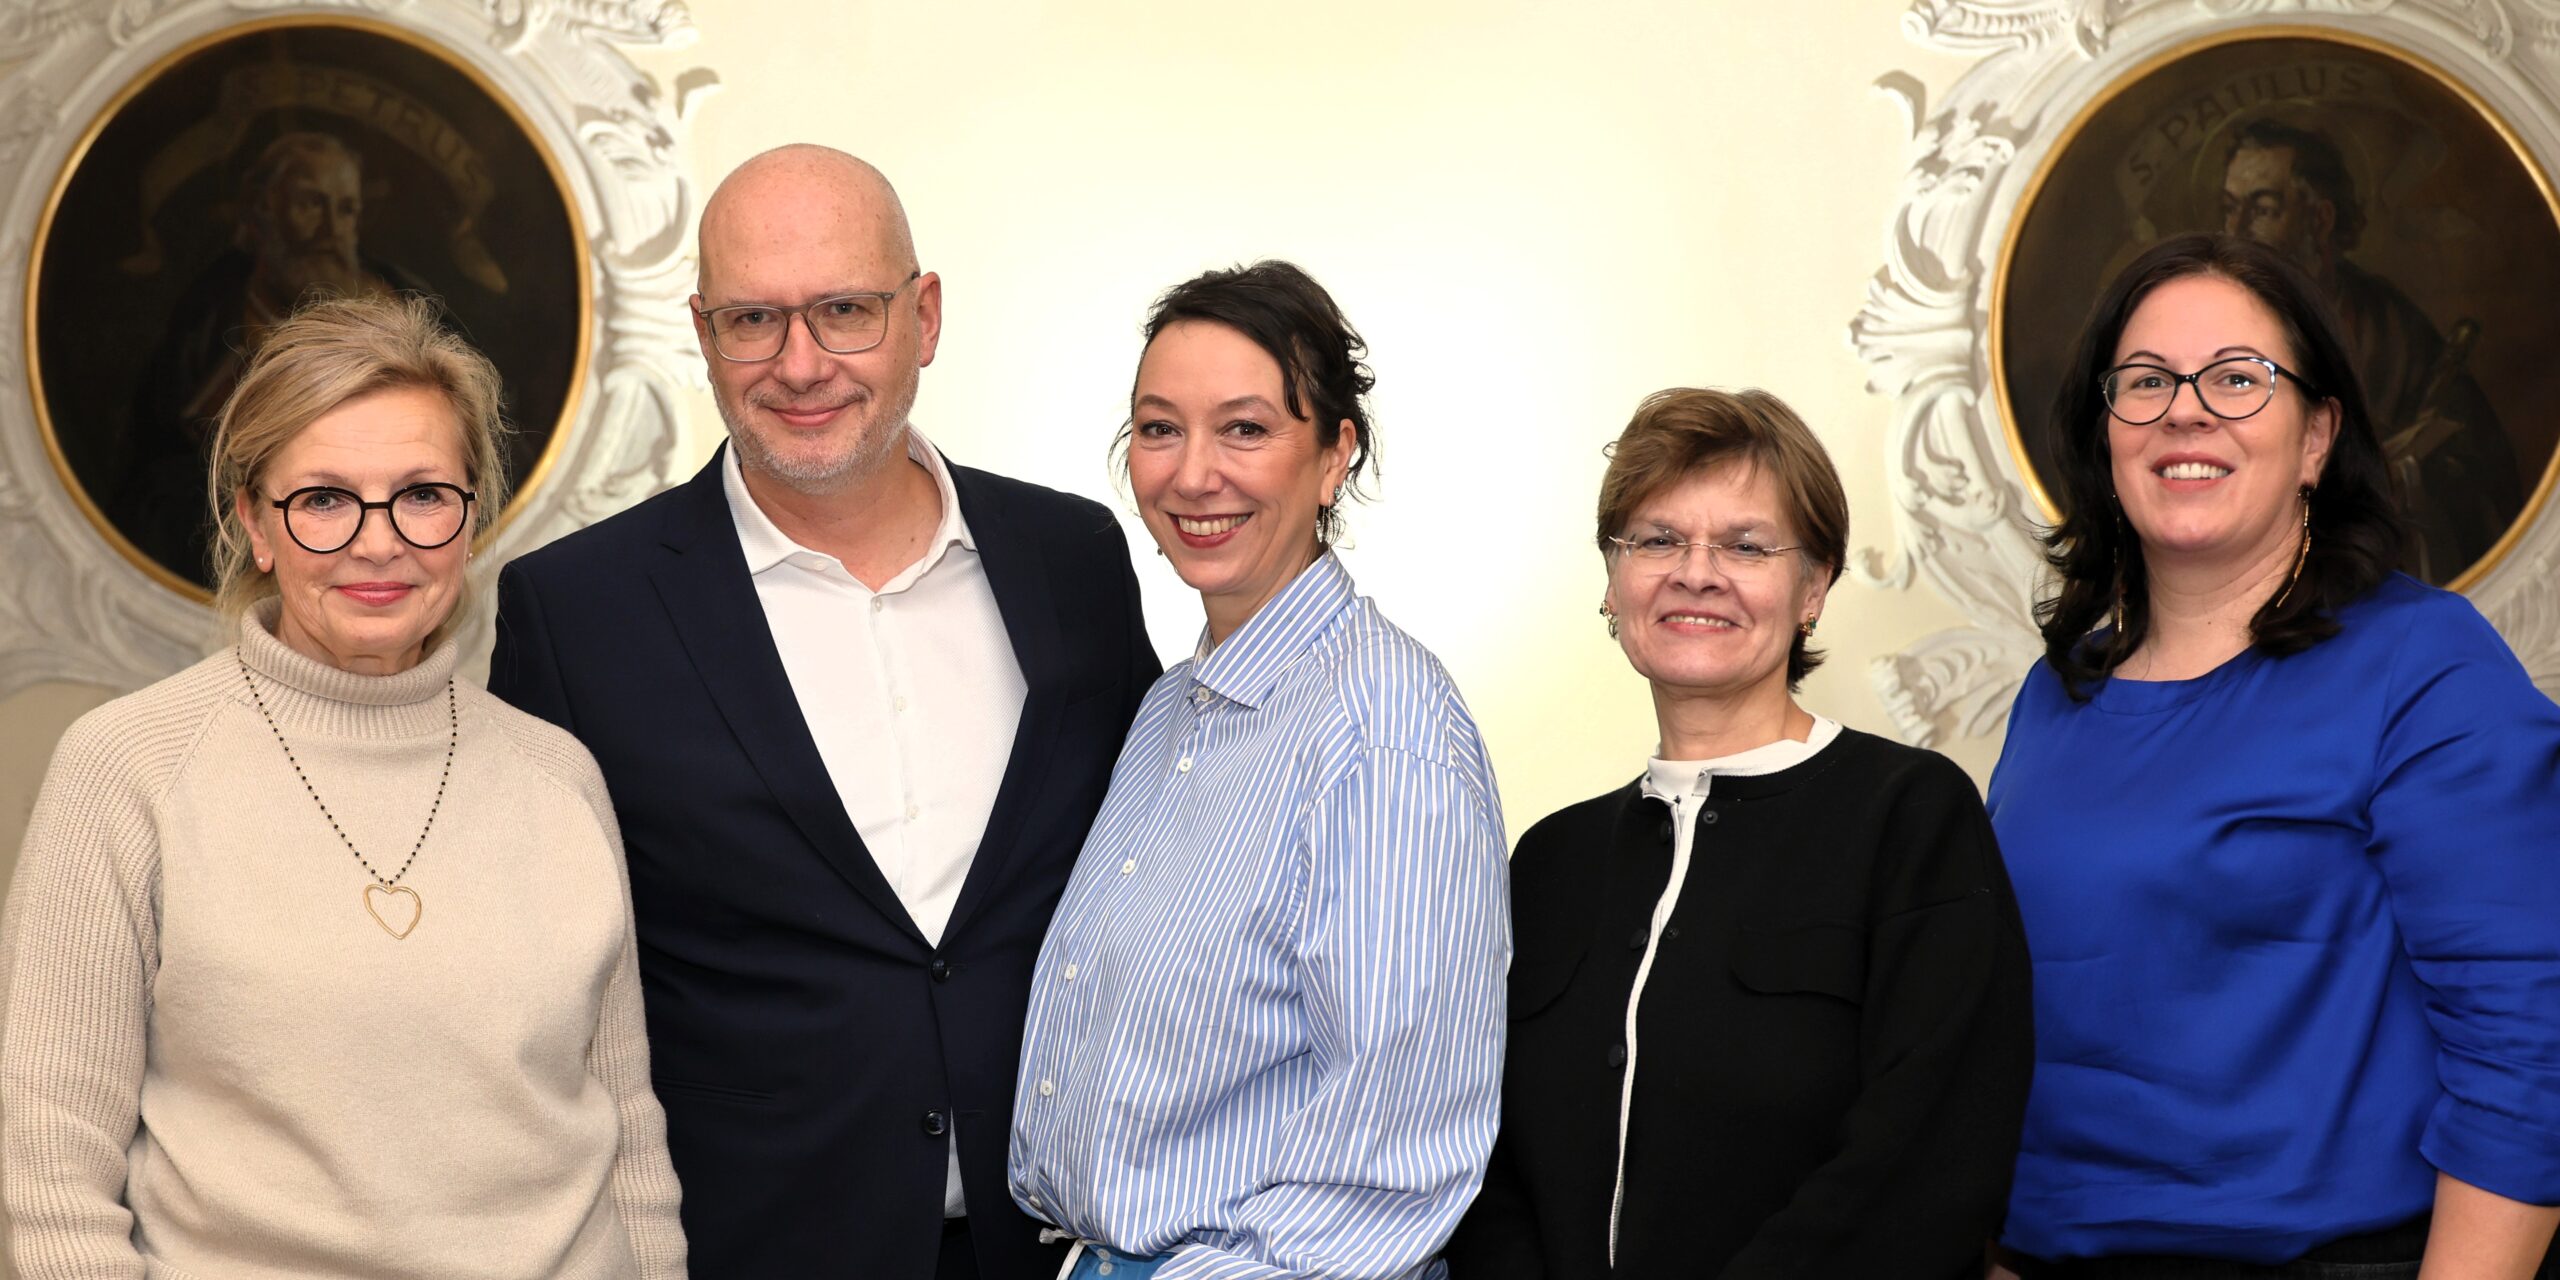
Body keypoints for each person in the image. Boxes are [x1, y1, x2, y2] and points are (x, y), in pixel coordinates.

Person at [487, 145, 1158, 1280]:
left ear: (924, 315)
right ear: (703, 335)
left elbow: (1156, 870)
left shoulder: (1073, 557)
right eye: (754, 319)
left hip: (1063, 1245)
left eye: (845, 310)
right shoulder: (577, 611)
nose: (800, 364)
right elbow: (526, 989)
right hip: (746, 1248)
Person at [0, 294, 684, 1278]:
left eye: (421, 493)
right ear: (254, 522)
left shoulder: (557, 777)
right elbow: (55, 1168)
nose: (377, 541)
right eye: (322, 498)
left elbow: (627, 1135)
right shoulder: (127, 769)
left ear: (470, 514)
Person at [1991, 232, 2560, 1278]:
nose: (2185, 409)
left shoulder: (2422, 664)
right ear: (2105, 431)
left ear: (2315, 438)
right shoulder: (2057, 689)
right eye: (2146, 380)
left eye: (2238, 378)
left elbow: (2531, 1042)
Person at [1442, 387, 2032, 1278]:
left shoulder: (1910, 819)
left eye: (1747, 546)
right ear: (1613, 582)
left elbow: (1928, 1161)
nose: (1696, 572)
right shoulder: (1551, 861)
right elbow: (1488, 1162)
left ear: (1814, 588)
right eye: (1657, 539)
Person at [1008, 260, 1510, 1280]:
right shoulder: (1165, 711)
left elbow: (1396, 1157)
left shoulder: (1381, 735)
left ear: (1334, 455)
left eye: (1245, 428)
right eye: (1159, 428)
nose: (1193, 474)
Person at [2218, 116, 2521, 581]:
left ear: (2320, 219)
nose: (2234, 231)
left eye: (2261, 209)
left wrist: (2409, 472)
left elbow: (2479, 471)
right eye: (2230, 207)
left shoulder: (2390, 327)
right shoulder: (2204, 325)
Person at [121, 131, 431, 585]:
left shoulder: (407, 307)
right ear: (262, 210)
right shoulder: (206, 319)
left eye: (345, 210)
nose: (330, 230)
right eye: (311, 205)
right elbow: (156, 472)